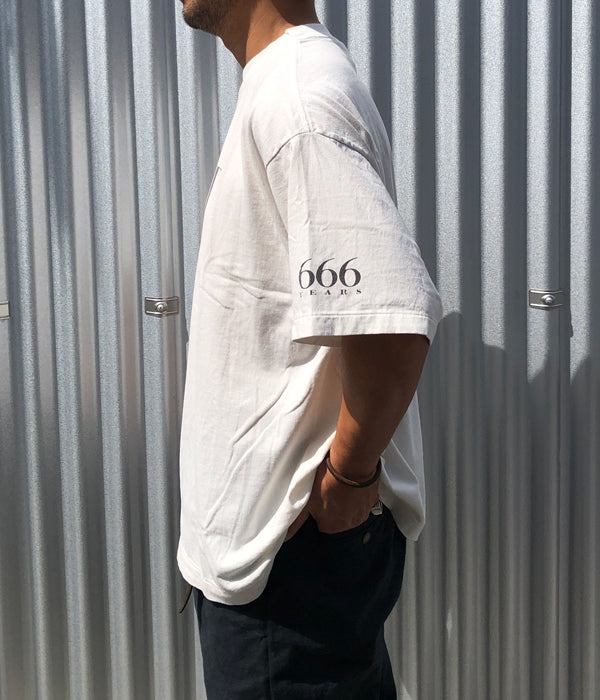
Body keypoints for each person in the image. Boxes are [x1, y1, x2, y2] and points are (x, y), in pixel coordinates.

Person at [177, 1, 443, 697]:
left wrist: (345, 484)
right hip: (279, 565)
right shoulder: (283, 85)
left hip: (287, 574)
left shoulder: (297, 97)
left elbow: (389, 323)